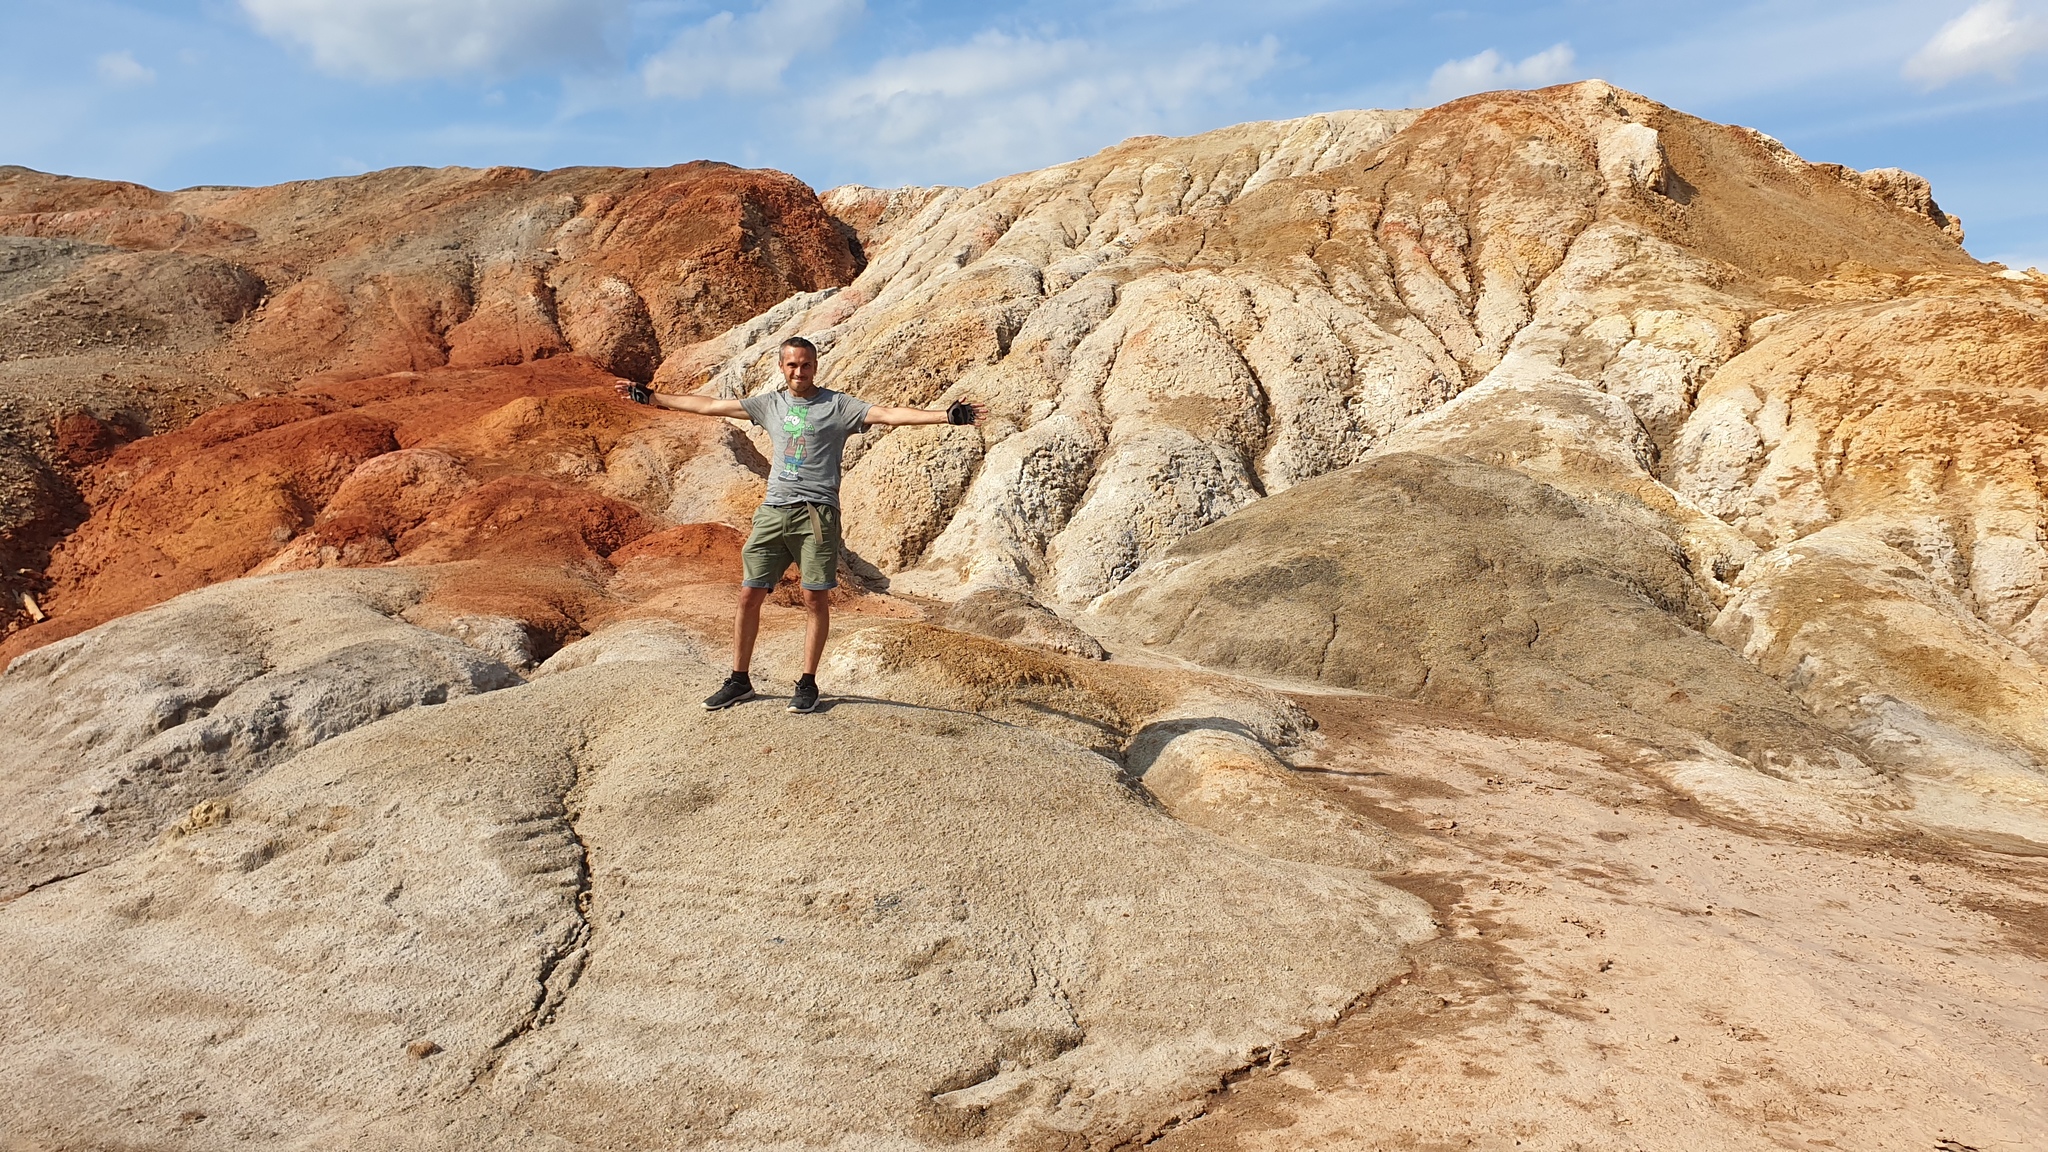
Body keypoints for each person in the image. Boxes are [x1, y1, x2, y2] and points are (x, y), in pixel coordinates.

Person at [615, 336, 983, 713]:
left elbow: (888, 414)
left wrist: (945, 416)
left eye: (806, 364)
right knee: (749, 594)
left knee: (814, 598)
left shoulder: (837, 406)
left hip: (816, 514)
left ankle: (807, 683)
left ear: (815, 366)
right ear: (781, 366)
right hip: (773, 511)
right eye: (792, 365)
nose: (799, 371)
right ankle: (739, 680)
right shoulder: (770, 404)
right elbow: (710, 405)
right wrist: (654, 397)